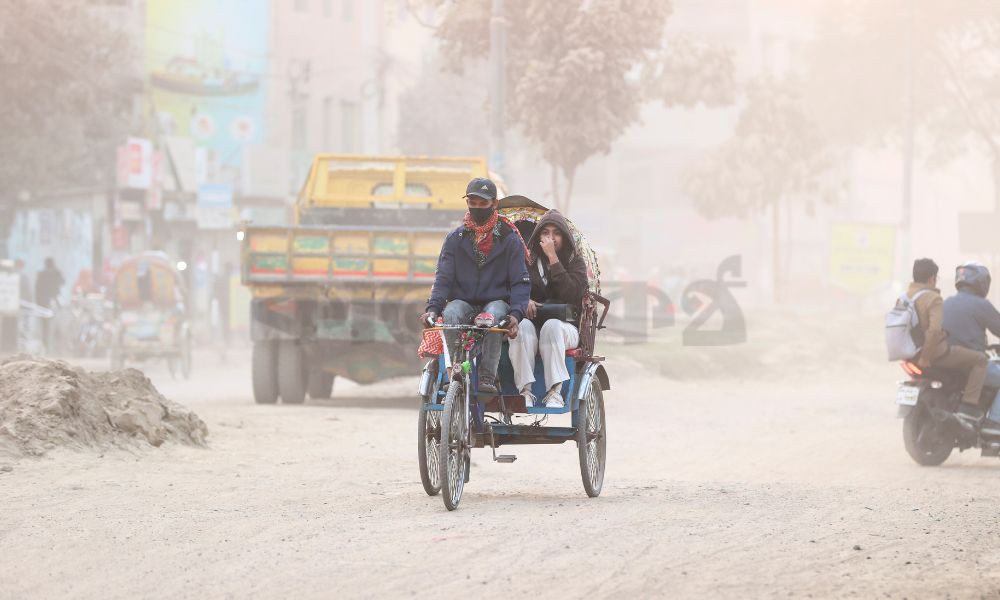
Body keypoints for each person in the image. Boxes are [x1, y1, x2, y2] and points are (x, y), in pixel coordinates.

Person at [421, 178, 530, 394]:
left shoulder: (509, 239)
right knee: (450, 312)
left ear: (494, 204)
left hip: (496, 301)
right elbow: (443, 278)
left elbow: (520, 282)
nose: (477, 208)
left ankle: (488, 378)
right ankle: (455, 373)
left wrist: (516, 315)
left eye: (483, 204)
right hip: (464, 301)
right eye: (473, 203)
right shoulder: (455, 238)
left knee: (493, 314)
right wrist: (432, 309)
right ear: (467, 203)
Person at [507, 210, 588, 408]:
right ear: (538, 237)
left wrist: (553, 258)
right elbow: (512, 287)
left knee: (551, 327)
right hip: (533, 324)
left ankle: (555, 392)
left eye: (556, 233)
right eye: (545, 233)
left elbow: (572, 294)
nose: (551, 238)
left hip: (565, 328)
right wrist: (524, 300)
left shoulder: (574, 261)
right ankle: (524, 391)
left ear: (564, 237)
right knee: (520, 329)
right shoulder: (528, 262)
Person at [909, 258, 988, 429]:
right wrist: (926, 356)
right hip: (936, 353)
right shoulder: (935, 299)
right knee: (981, 360)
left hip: (914, 352)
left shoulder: (910, 298)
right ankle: (968, 408)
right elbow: (934, 331)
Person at [943, 262, 1000, 433]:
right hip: (971, 365)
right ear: (982, 283)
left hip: (946, 361)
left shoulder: (947, 302)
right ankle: (994, 423)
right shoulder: (981, 304)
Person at [34, 257, 64, 352]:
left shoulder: (43, 274)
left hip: (45, 303)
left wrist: (38, 303)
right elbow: (63, 282)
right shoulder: (56, 273)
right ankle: (52, 346)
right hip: (52, 302)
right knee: (54, 325)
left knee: (46, 326)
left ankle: (48, 346)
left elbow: (37, 289)